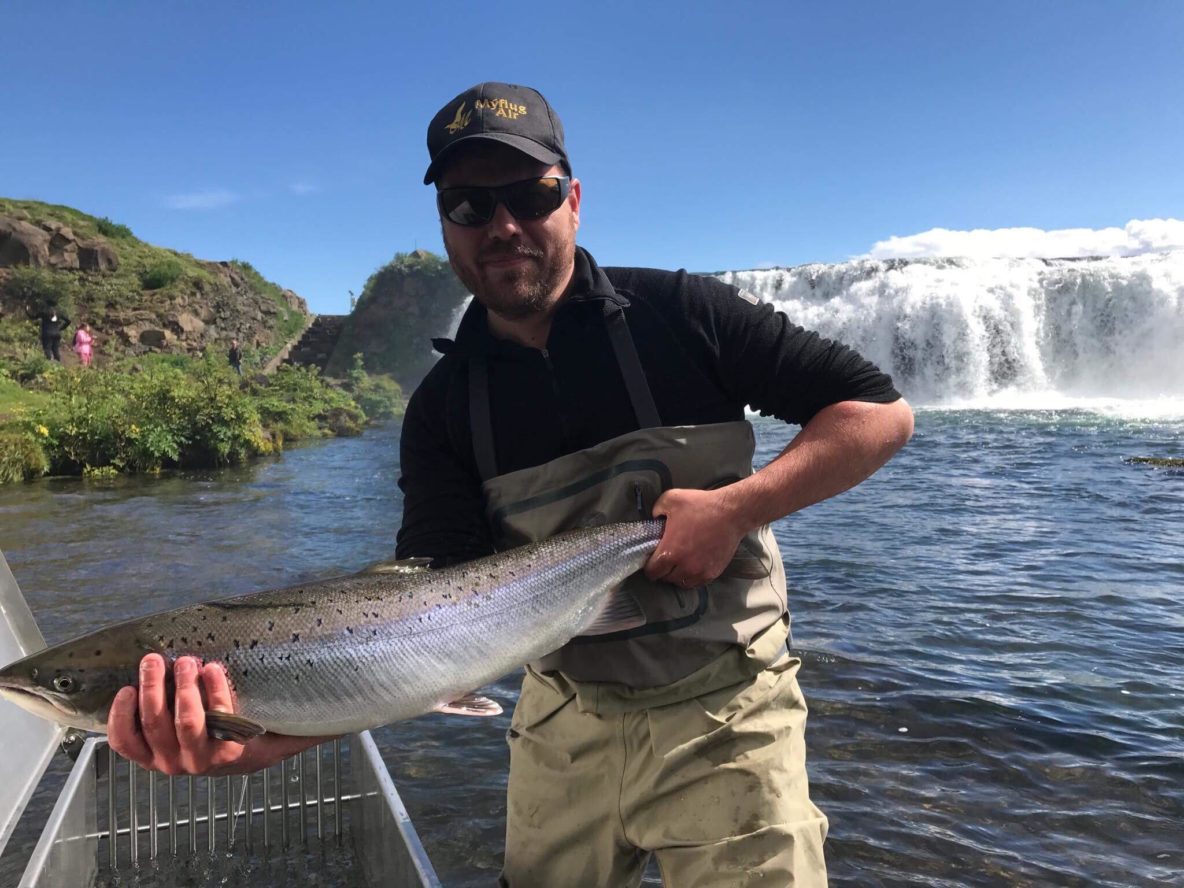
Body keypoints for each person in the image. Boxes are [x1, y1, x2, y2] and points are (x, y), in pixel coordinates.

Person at [108, 82, 914, 886]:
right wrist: (267, 733)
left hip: (730, 713)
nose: (503, 226)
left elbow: (878, 415)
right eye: (468, 205)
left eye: (531, 195)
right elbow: (421, 622)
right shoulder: (442, 407)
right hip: (562, 720)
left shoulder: (683, 315)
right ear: (445, 226)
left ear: (573, 200)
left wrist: (740, 508)